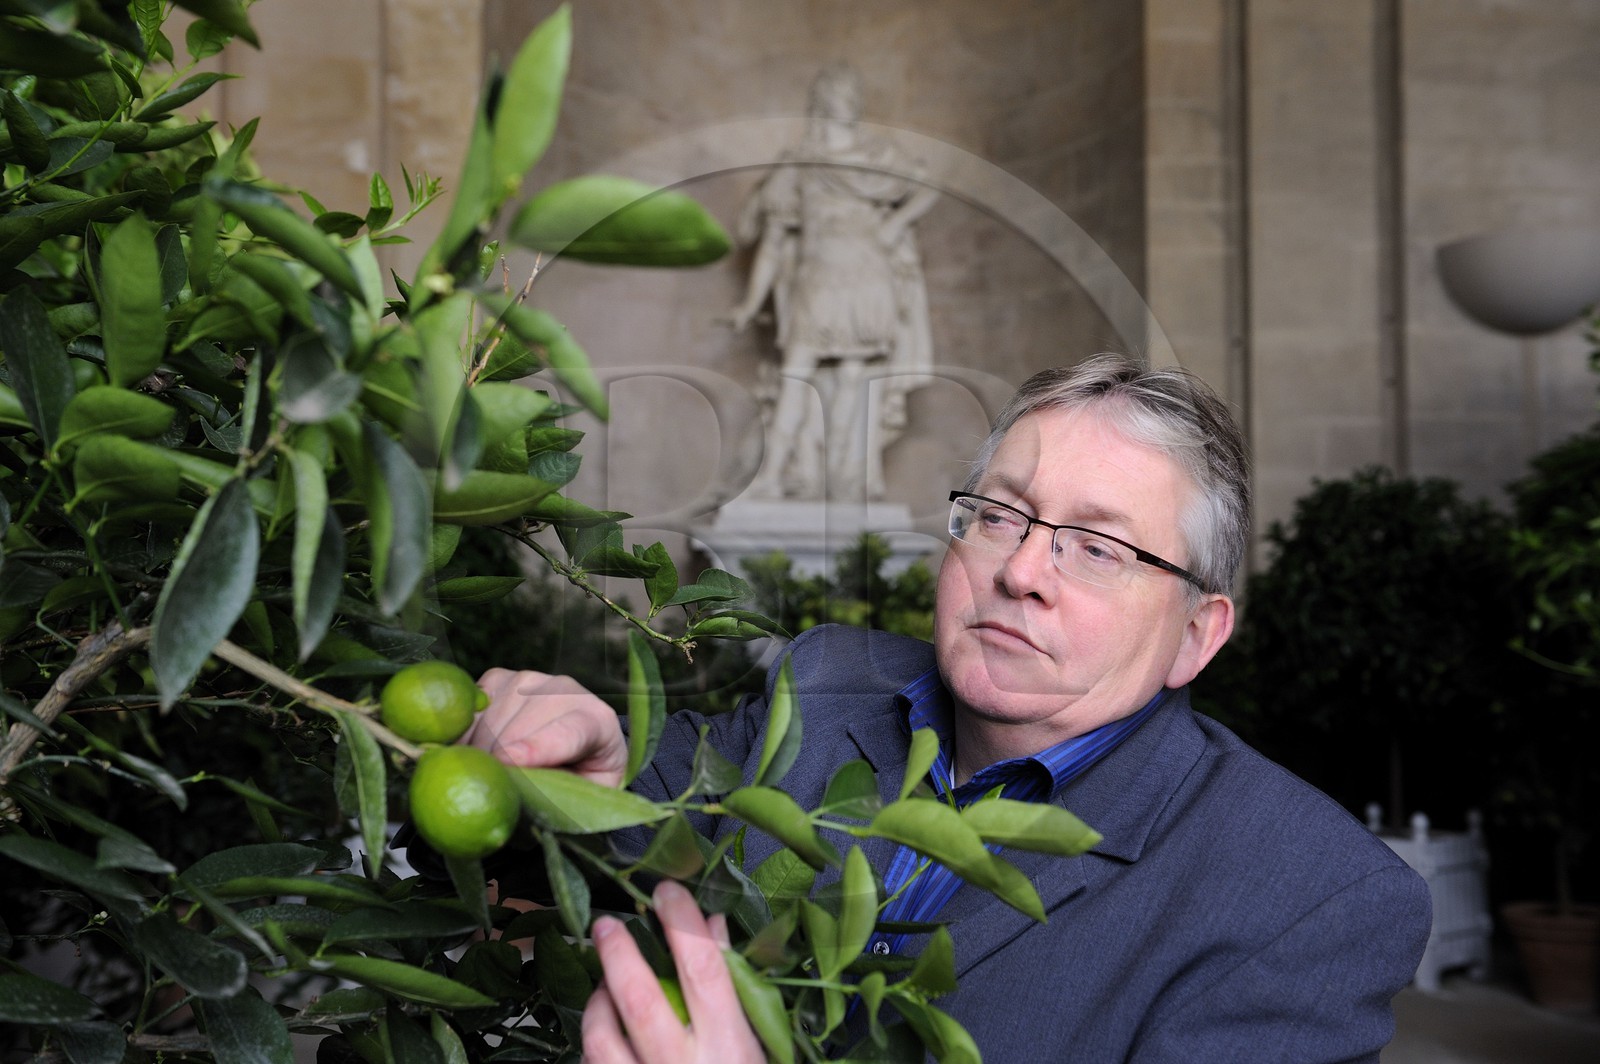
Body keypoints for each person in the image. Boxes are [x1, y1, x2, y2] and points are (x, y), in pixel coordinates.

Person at [465, 353, 1432, 1062]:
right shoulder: (828, 684)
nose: (1020, 571)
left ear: (1197, 634)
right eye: (1001, 516)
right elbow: (604, 837)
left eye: (1098, 547)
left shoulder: (1312, 902)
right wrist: (568, 764)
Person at [724, 61, 939, 500]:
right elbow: (772, 244)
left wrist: (895, 224)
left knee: (854, 382)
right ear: (824, 101)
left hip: (868, 279)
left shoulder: (878, 156)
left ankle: (844, 484)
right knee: (795, 377)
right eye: (841, 92)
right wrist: (750, 303)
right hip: (817, 283)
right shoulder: (798, 164)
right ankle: (771, 476)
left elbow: (929, 185)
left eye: (852, 92)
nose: (849, 101)